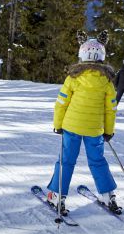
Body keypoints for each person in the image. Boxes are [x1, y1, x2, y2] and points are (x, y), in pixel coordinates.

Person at [47, 30, 119, 215]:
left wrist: (58, 124)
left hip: (71, 127)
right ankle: (107, 195)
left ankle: (57, 195)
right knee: (97, 160)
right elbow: (110, 109)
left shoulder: (73, 77)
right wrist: (108, 131)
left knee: (66, 160)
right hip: (95, 129)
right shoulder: (107, 81)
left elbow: (61, 103)